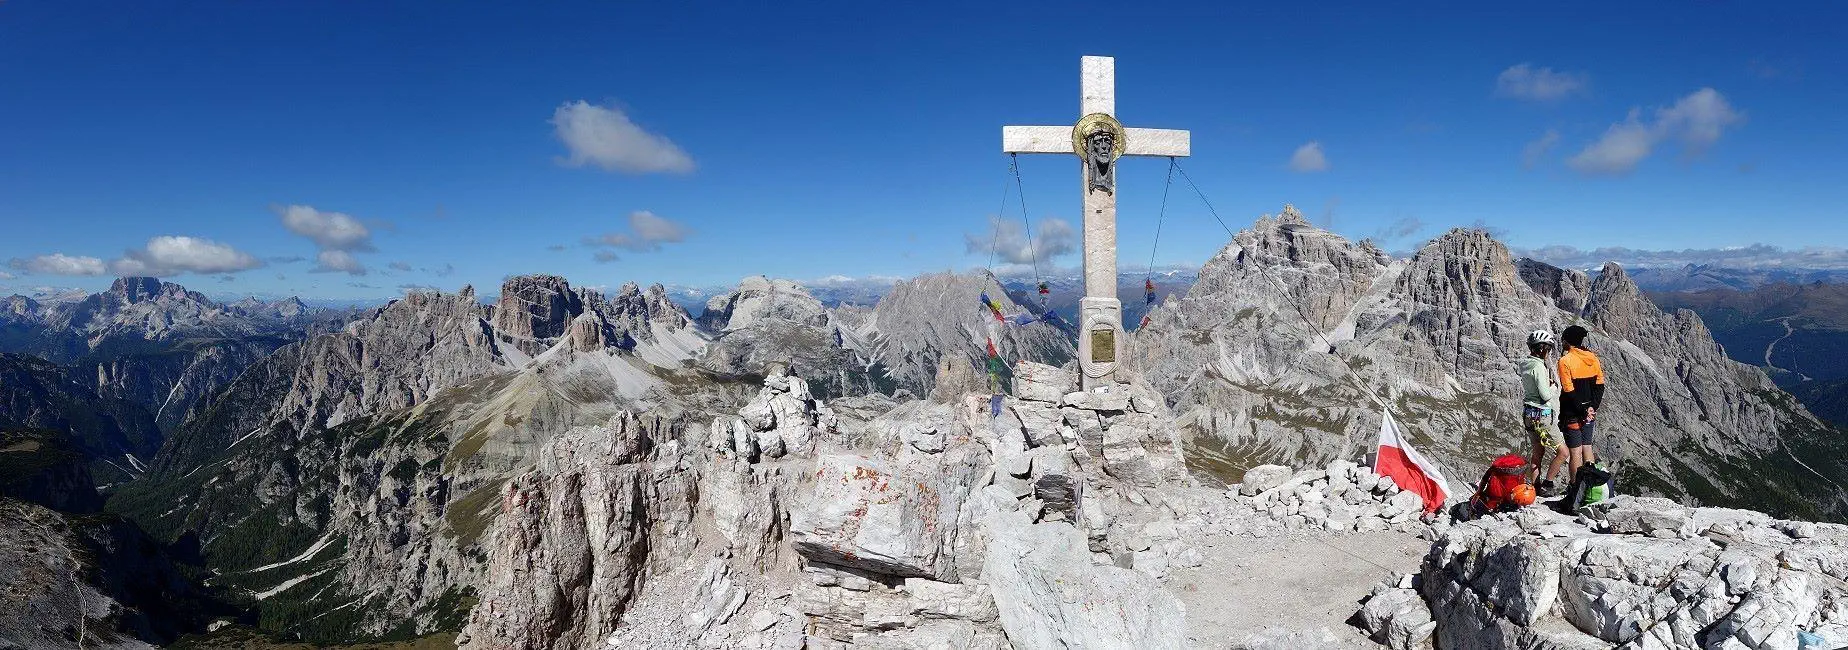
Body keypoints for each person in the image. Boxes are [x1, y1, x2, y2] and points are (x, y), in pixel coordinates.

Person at [1518, 329, 1567, 496]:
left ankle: (1535, 488)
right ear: (1542, 348)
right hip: (1542, 415)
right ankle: (1548, 484)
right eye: (1548, 349)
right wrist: (1554, 386)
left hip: (1528, 414)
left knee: (1537, 452)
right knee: (1563, 452)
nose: (1549, 352)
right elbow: (1545, 395)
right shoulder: (1538, 366)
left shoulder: (1524, 364)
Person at [1556, 325, 1606, 477]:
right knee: (1587, 447)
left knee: (1575, 452)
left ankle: (1575, 487)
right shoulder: (1593, 359)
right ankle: (1588, 486)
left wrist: (1581, 410)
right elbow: (1600, 386)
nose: (1562, 342)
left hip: (1572, 412)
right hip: (1590, 413)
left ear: (1568, 341)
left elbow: (1569, 390)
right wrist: (1592, 408)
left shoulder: (1565, 361)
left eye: (1563, 339)